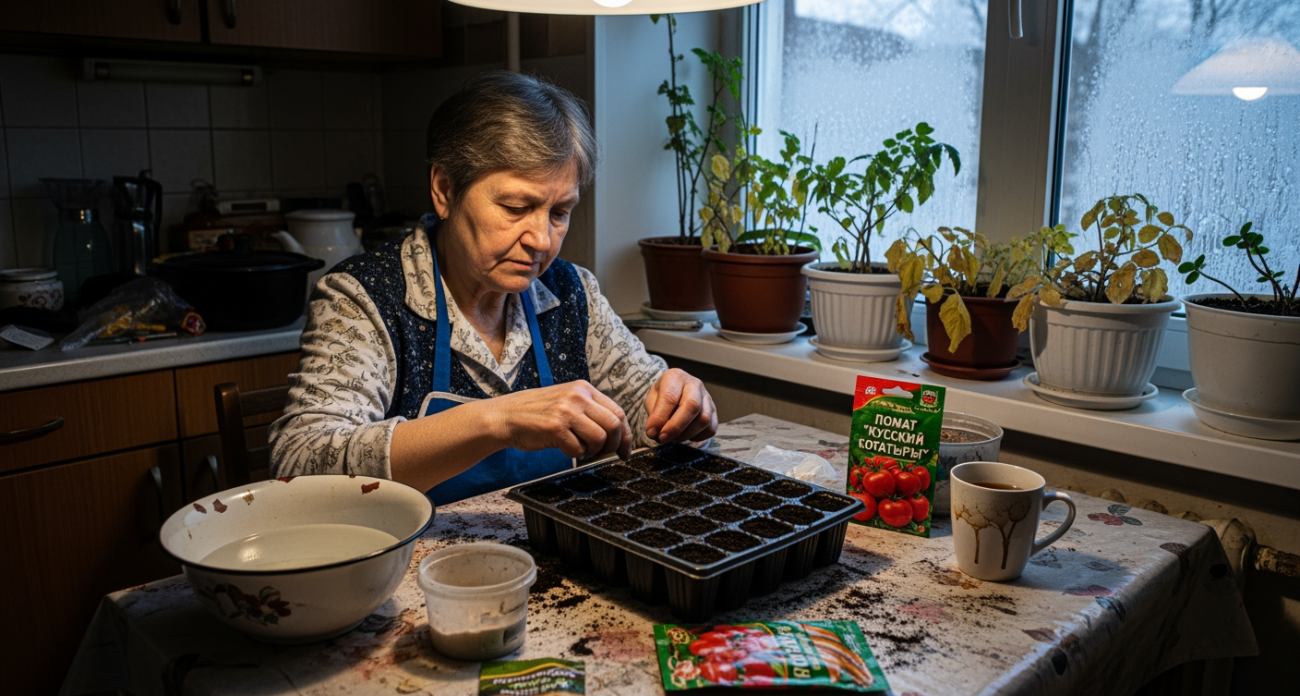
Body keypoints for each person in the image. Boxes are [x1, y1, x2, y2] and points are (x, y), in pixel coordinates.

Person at [269, 71, 718, 504]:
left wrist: (677, 406)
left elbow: (640, 411)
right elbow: (300, 462)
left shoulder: (571, 293)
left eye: (560, 212)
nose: (542, 240)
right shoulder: (364, 298)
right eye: (516, 206)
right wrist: (496, 420)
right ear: (444, 189)